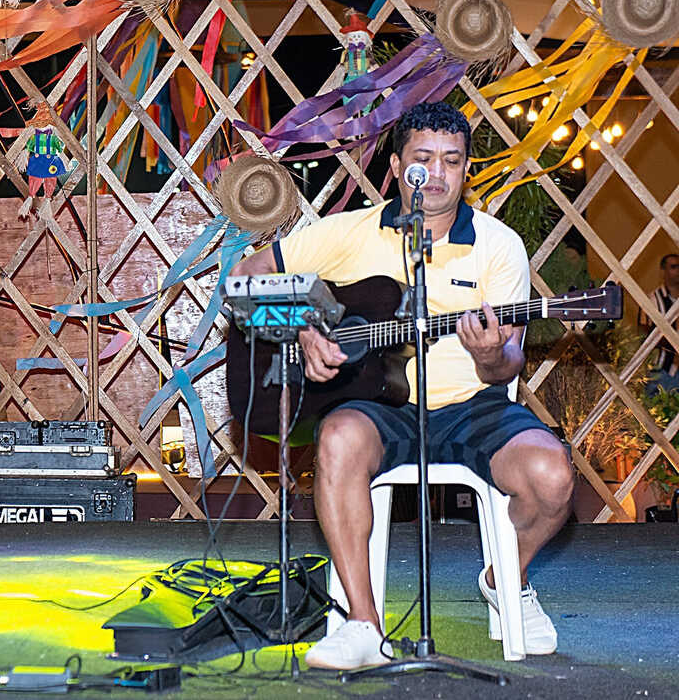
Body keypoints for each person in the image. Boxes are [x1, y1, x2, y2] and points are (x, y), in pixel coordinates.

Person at [229, 102, 573, 670]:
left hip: (472, 406)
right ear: (396, 168)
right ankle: (363, 623)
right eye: (422, 160)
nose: (436, 175)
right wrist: (303, 329)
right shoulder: (350, 232)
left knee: (553, 476)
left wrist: (491, 356)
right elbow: (246, 276)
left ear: (466, 170)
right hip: (379, 403)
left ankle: (504, 575)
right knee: (337, 437)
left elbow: (506, 363)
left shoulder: (497, 244)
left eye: (451, 162)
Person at [638, 253, 679, 394]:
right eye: (674, 267)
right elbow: (644, 331)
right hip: (659, 370)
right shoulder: (653, 299)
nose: (678, 271)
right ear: (663, 271)